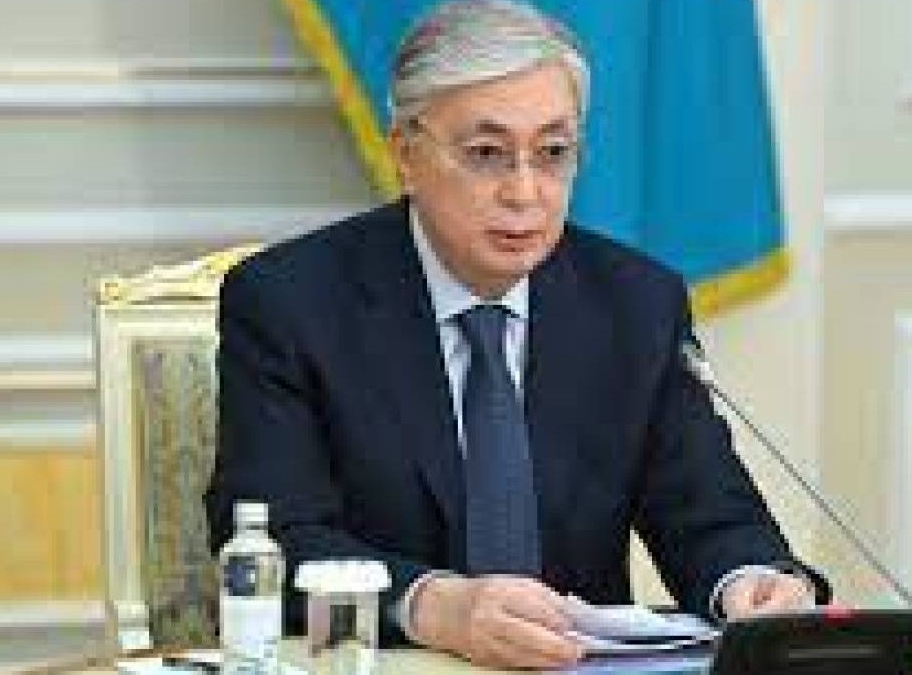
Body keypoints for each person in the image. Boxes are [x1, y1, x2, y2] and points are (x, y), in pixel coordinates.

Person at [206, 0, 828, 669]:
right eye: (486, 155)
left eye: (553, 153)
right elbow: (275, 539)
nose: (525, 192)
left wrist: (752, 582)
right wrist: (434, 604)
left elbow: (710, 516)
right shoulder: (290, 303)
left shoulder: (635, 304)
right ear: (406, 154)